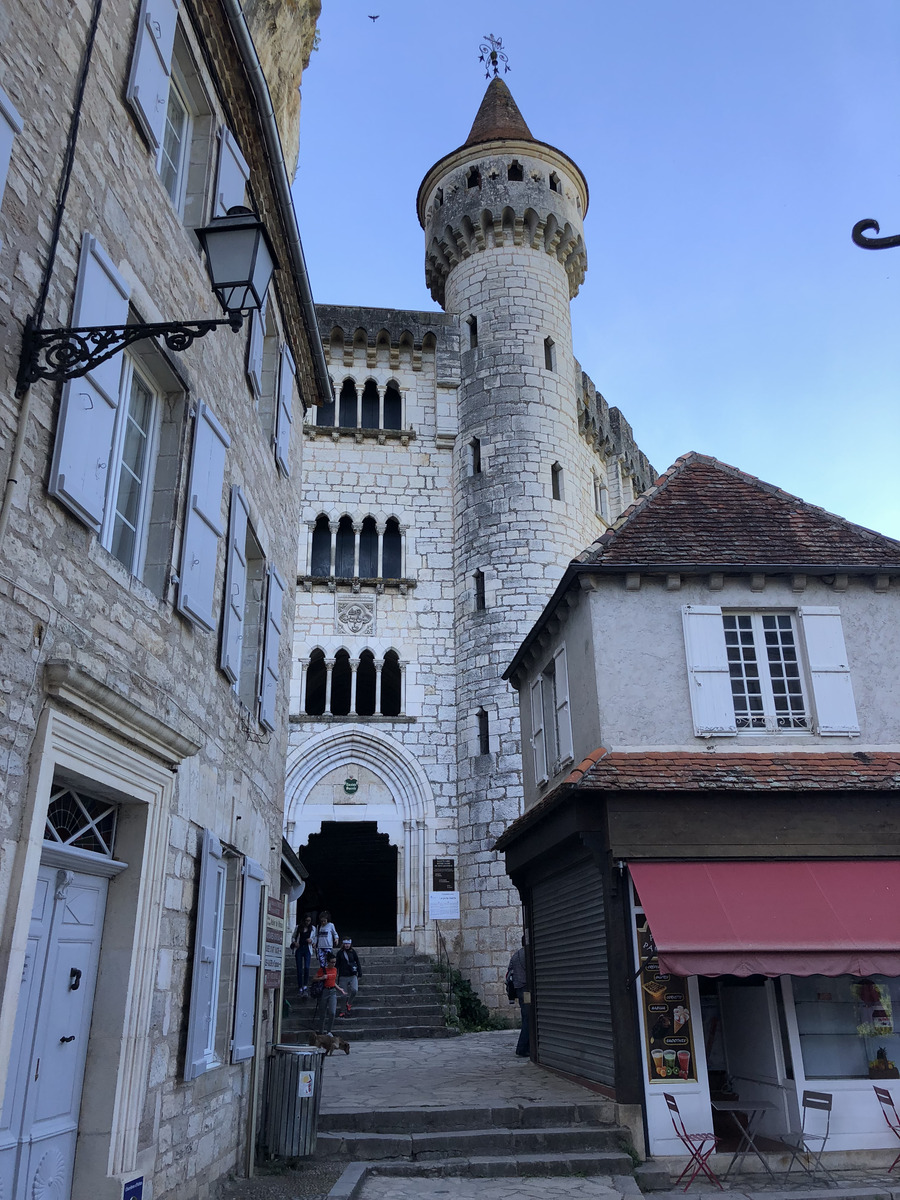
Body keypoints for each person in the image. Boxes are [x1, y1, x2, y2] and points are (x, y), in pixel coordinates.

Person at [508, 938, 530, 1057]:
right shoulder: (528, 954)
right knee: (528, 1018)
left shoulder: (515, 955)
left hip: (519, 989)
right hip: (527, 989)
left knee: (526, 1017)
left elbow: (509, 972)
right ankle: (522, 1048)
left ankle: (525, 1047)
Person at [314, 951, 345, 1033]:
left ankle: (329, 1031)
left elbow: (333, 981)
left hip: (332, 991)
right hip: (324, 991)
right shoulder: (322, 969)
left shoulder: (335, 969)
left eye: (335, 962)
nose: (333, 964)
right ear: (328, 962)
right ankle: (321, 1031)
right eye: (332, 962)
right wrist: (322, 978)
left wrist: (340, 989)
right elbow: (314, 979)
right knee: (322, 1013)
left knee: (332, 1012)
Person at [335, 937, 362, 1017]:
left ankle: (349, 1003)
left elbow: (357, 962)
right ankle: (343, 1010)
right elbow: (337, 965)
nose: (347, 945)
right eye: (345, 944)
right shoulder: (340, 953)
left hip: (352, 974)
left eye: (348, 944)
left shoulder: (353, 952)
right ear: (343, 944)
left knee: (354, 990)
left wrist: (359, 972)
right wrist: (335, 974)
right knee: (343, 995)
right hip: (343, 975)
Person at [289, 913, 315, 996]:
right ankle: (300, 986)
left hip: (307, 948)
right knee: (299, 968)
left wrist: (312, 941)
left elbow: (315, 938)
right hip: (299, 948)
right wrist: (295, 942)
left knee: (307, 967)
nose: (308, 922)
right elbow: (293, 936)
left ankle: (305, 986)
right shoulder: (298, 927)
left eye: (309, 921)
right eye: (306, 920)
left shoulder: (313, 928)